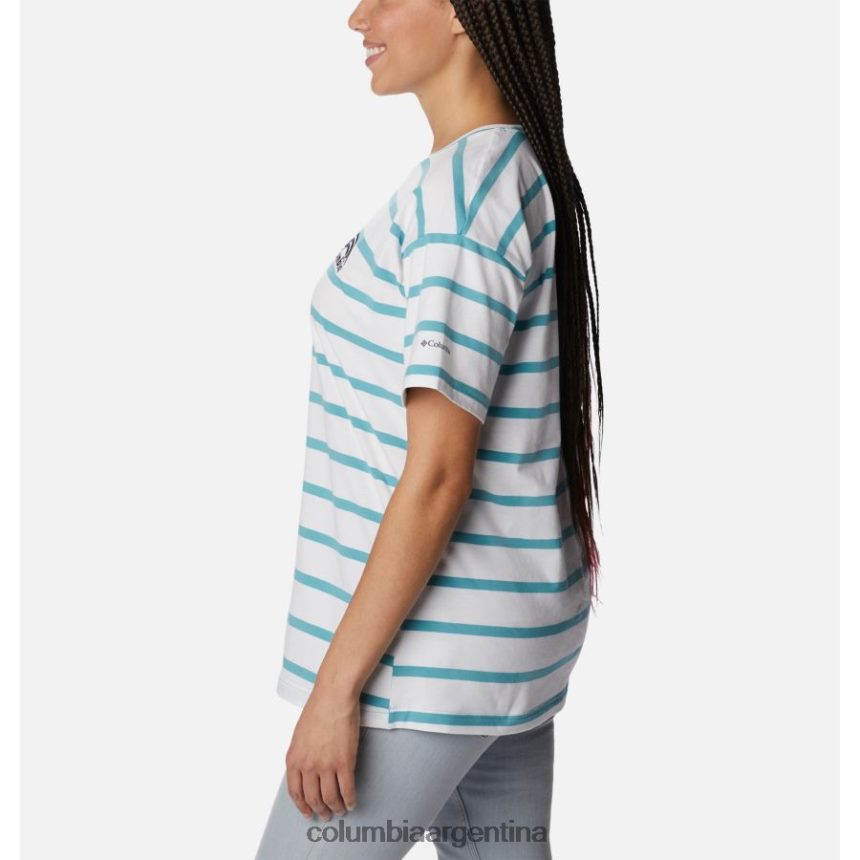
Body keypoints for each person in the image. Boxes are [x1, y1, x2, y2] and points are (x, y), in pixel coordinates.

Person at [255, 1, 603, 857]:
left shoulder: (461, 197)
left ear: (458, 10)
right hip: (495, 641)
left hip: (426, 659)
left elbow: (440, 472)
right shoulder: (511, 171)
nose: (357, 16)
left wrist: (336, 690)